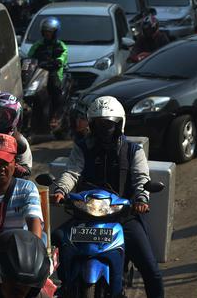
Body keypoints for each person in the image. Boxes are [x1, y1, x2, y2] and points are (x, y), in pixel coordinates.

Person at [51, 96, 164, 298]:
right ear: (92, 125)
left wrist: (141, 199)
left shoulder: (132, 150)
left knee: (152, 271)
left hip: (122, 215)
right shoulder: (82, 147)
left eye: (109, 124)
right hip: (86, 215)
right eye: (99, 124)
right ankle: (65, 286)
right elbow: (72, 172)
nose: (104, 129)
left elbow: (141, 178)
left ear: (119, 124)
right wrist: (61, 190)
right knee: (53, 241)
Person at [27, 17, 68, 128]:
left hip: (54, 73)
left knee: (55, 89)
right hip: (39, 74)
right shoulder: (38, 45)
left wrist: (57, 62)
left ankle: (56, 115)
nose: (47, 34)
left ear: (55, 33)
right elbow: (29, 57)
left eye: (49, 32)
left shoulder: (60, 46)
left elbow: (62, 57)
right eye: (45, 32)